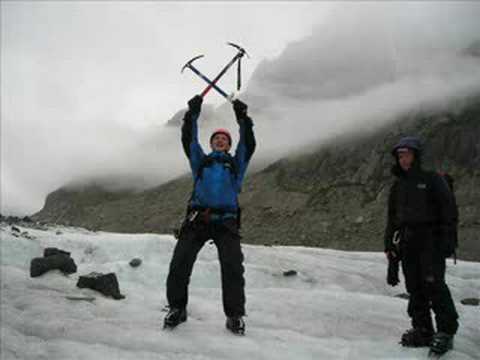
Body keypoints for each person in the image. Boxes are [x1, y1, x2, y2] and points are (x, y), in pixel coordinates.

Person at [164, 95, 256, 335]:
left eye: (225, 139)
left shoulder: (236, 165)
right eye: (217, 138)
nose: (220, 140)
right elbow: (189, 139)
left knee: (233, 267)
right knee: (180, 263)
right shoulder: (201, 163)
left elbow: (249, 143)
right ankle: (177, 308)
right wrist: (191, 114)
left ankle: (234, 316)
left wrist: (243, 118)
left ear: (229, 145)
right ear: (212, 143)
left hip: (226, 221)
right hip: (197, 219)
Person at [384, 136, 459, 356]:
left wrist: (448, 240)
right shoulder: (398, 187)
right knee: (415, 287)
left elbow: (449, 212)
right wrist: (390, 247)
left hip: (431, 241)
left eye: (406, 154)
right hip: (408, 243)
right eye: (399, 155)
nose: (403, 159)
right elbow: (392, 220)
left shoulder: (432, 180)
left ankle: (446, 332)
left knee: (434, 285)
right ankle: (423, 329)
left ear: (416, 155)